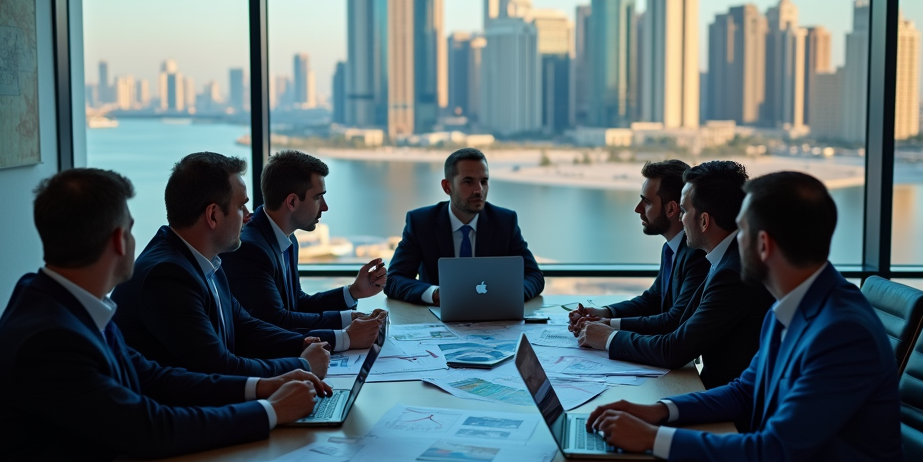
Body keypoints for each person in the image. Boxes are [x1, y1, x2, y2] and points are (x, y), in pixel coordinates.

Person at [587, 172, 922, 462]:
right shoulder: (794, 304)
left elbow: (772, 451)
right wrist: (658, 411)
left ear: (763, 245)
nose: (732, 239)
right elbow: (747, 390)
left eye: (741, 228)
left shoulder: (841, 331)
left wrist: (653, 440)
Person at [0, 168, 330, 462]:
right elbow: (148, 427)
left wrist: (262, 387)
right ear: (119, 240)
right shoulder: (49, 336)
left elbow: (153, 377)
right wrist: (269, 412)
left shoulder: (66, 302)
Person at [113, 152, 332, 378]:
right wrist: (302, 366)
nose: (248, 216)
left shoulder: (205, 261)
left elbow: (244, 326)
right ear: (213, 215)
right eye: (241, 207)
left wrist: (302, 343)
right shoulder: (168, 276)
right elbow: (218, 367)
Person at [577, 160, 772, 389]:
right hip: (716, 391)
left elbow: (675, 347)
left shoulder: (732, 272)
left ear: (704, 220)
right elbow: (676, 320)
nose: (680, 218)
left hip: (728, 401)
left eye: (685, 210)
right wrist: (606, 322)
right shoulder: (723, 258)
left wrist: (608, 337)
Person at [221, 150, 386, 351]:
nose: (325, 207)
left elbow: (297, 303)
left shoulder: (286, 237)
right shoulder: (250, 249)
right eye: (318, 197)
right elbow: (275, 320)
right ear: (292, 202)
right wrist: (345, 337)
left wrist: (353, 293)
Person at [385, 148, 545, 305]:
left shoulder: (504, 222)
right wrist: (435, 294)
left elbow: (534, 276)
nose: (479, 190)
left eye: (484, 181)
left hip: (494, 320)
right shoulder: (421, 222)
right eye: (468, 182)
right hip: (436, 322)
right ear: (447, 187)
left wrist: (510, 295)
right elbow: (393, 280)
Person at [568, 159, 707, 337]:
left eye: (647, 202)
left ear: (672, 209)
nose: (637, 209)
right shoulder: (670, 249)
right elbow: (653, 299)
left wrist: (608, 325)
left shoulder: (697, 255)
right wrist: (603, 312)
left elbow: (674, 320)